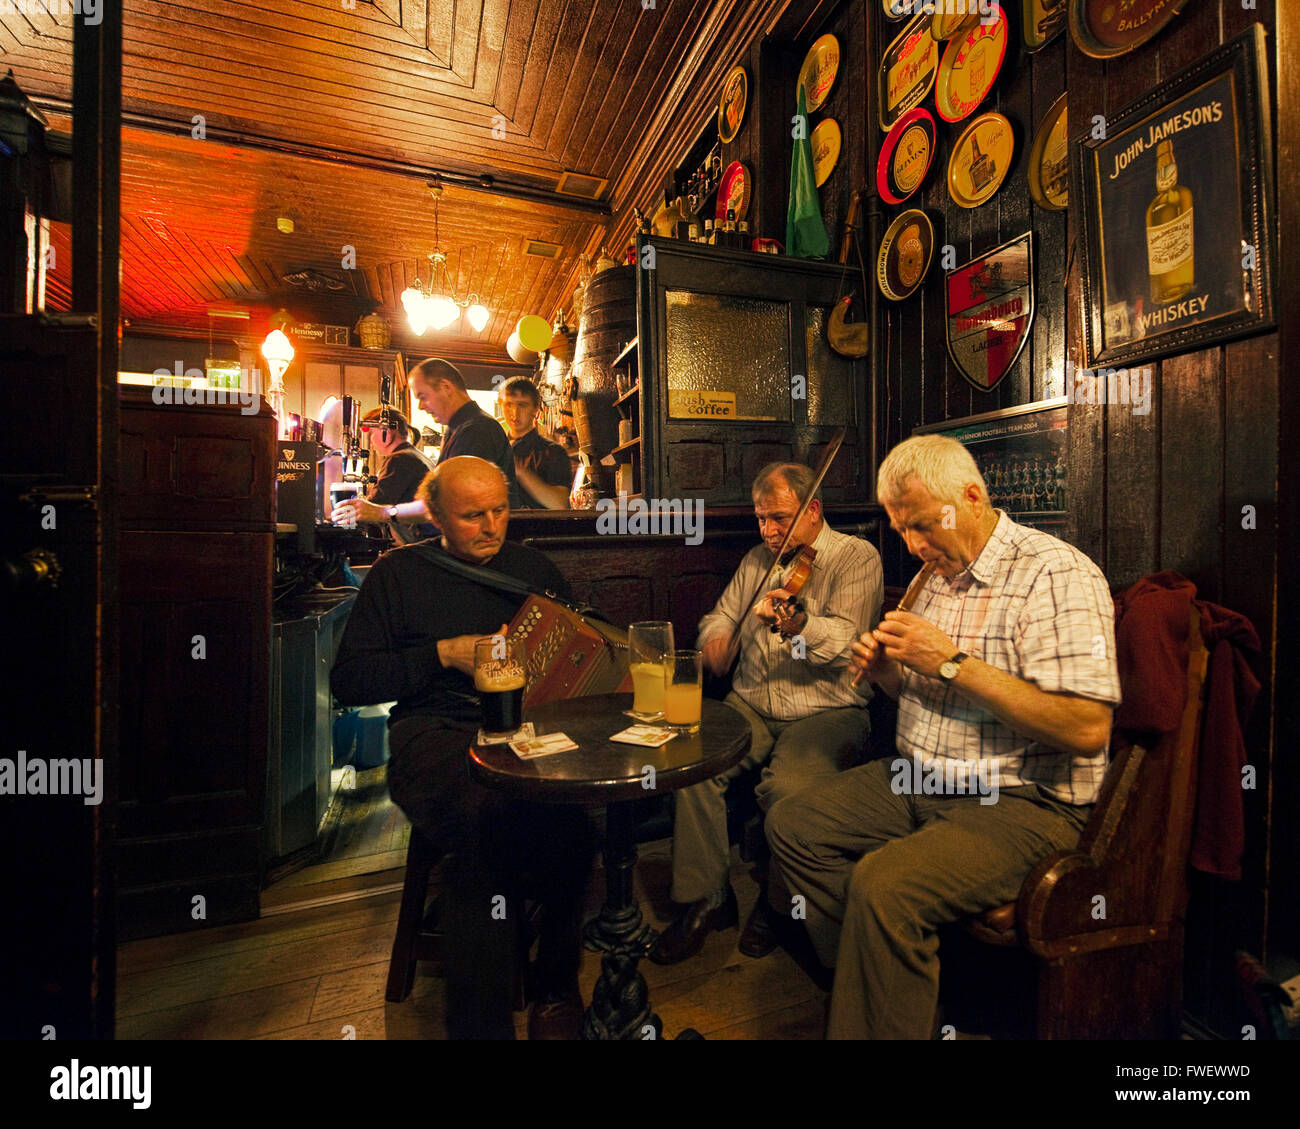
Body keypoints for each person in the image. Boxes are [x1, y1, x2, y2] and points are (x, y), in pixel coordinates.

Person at [765, 435, 1121, 1039]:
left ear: (973, 497)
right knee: (792, 826)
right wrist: (888, 675)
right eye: (901, 530)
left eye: (924, 526)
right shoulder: (938, 575)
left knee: (884, 887)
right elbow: (928, 696)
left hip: (1022, 802)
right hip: (921, 778)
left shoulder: (1054, 573)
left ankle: (883, 992)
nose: (914, 546)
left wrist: (952, 662)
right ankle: (895, 988)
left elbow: (1086, 729)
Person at [329, 456, 593, 1039]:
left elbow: (573, 656)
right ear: (437, 516)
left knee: (575, 827)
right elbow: (350, 683)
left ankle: (555, 988)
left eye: (500, 510)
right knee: (484, 834)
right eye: (473, 515)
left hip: (529, 729)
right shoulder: (398, 575)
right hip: (436, 732)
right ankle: (481, 1027)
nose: (492, 526)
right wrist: (443, 655)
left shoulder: (535, 569)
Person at [648, 462, 883, 966]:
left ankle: (777, 906)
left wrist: (798, 622)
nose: (769, 531)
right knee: (691, 762)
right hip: (751, 703)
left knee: (792, 790)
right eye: (761, 519)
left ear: (813, 509)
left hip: (828, 712)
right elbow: (723, 614)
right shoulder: (759, 560)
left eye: (779, 518)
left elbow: (847, 644)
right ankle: (706, 898)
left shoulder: (855, 558)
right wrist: (714, 638)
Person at [338, 358, 522, 527]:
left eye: (423, 397)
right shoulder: (458, 428)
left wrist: (383, 512)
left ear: (446, 387)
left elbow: (445, 502)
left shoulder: (477, 430)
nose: (420, 406)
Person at [346, 407, 434, 543]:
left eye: (371, 435)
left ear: (386, 433)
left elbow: (374, 506)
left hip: (419, 544)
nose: (371, 443)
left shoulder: (399, 459)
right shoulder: (416, 456)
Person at [499, 376, 572, 509]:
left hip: (535, 528)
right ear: (501, 404)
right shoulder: (496, 448)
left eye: (522, 405)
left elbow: (560, 504)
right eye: (509, 404)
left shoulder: (553, 452)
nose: (514, 413)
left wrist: (519, 470)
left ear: (535, 409)